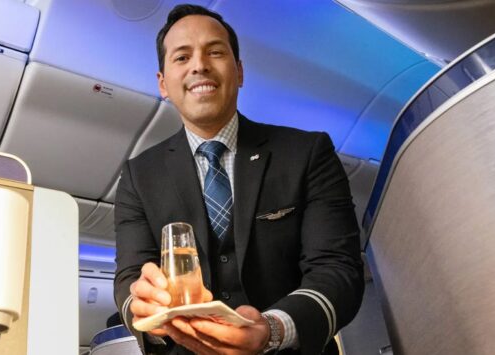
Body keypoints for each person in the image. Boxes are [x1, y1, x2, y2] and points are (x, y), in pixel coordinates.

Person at [113, 4, 364, 355]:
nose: (199, 65)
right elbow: (129, 278)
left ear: (240, 71)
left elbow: (337, 269)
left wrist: (273, 329)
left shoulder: (307, 153)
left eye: (215, 52)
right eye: (182, 57)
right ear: (163, 84)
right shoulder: (140, 175)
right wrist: (145, 307)